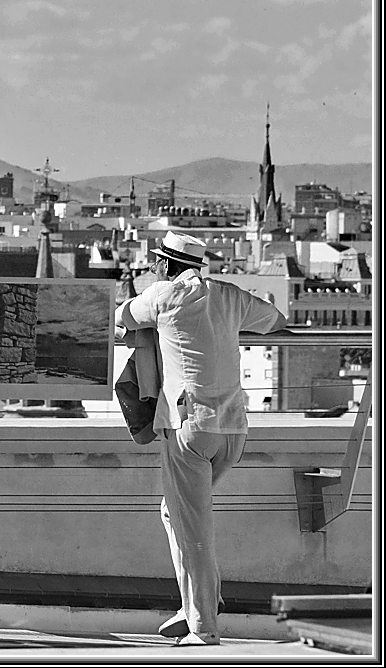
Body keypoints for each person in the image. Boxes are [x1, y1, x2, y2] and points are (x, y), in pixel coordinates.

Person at [115, 231, 287, 646]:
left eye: (156, 262)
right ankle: (196, 604)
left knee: (193, 527)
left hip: (189, 426)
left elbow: (123, 316)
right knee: (175, 514)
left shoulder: (162, 295)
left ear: (165, 265)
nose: (153, 267)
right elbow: (275, 321)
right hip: (234, 428)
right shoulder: (228, 295)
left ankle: (203, 627)